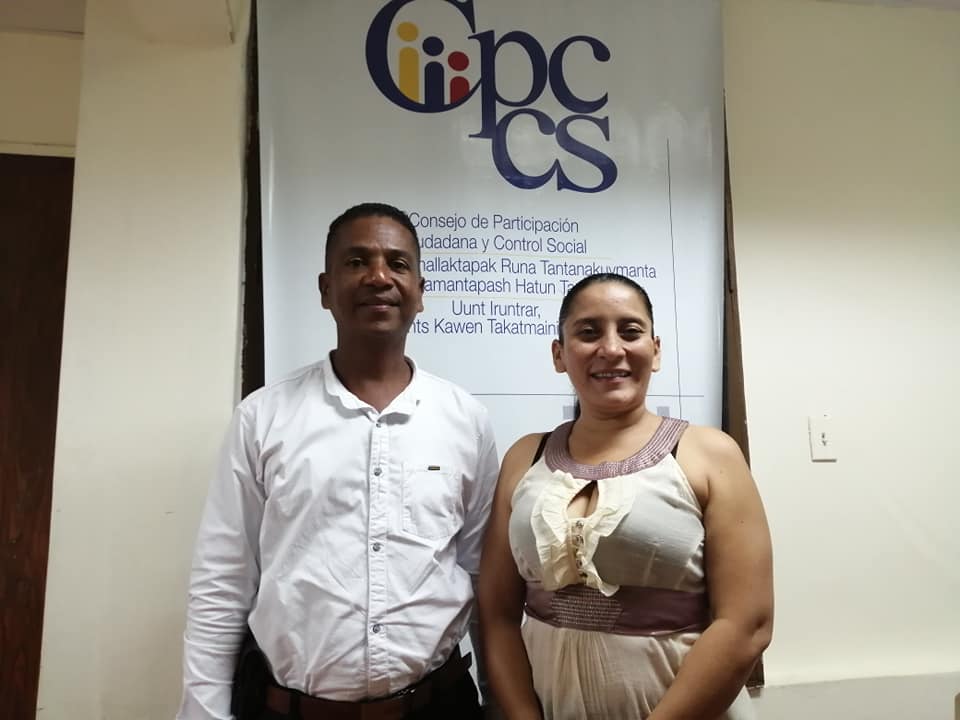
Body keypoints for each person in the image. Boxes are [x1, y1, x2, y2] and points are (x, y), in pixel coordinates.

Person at [177, 202, 498, 720]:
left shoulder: (467, 421)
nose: (379, 277)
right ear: (325, 289)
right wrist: (204, 712)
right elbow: (223, 580)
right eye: (356, 262)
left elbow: (484, 577)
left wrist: (498, 700)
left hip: (438, 707)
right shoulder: (263, 417)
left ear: (420, 291)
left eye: (397, 263)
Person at [478, 272, 773, 719]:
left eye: (630, 332)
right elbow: (498, 613)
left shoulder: (709, 454)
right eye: (588, 332)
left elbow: (747, 624)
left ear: (656, 351)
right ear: (559, 354)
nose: (611, 348)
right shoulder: (525, 458)